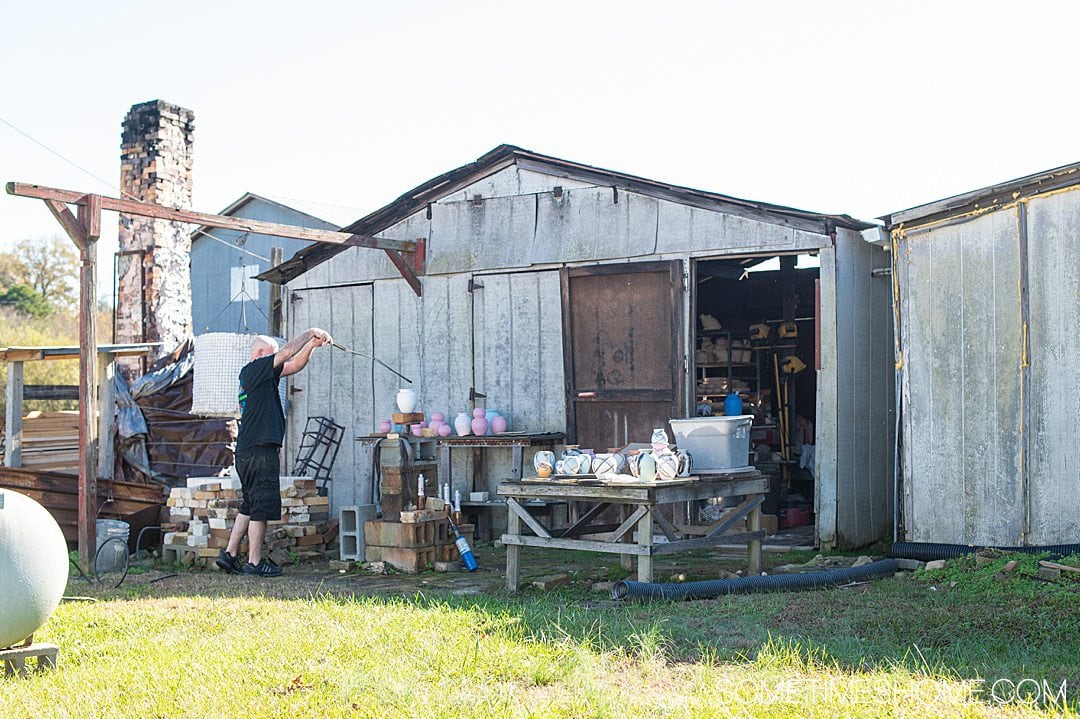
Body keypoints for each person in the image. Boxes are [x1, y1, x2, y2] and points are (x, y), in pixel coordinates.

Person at [216, 328, 332, 577]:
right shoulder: (255, 369)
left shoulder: (259, 376)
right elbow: (289, 351)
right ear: (260, 354)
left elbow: (294, 364)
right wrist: (311, 331)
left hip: (248, 451)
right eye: (273, 354)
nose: (278, 357)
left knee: (249, 504)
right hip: (259, 451)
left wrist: (311, 345)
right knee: (261, 507)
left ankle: (229, 554)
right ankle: (255, 563)